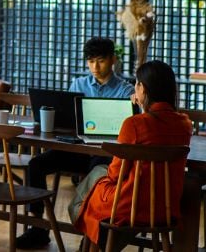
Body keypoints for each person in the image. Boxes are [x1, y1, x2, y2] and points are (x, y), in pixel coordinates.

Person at [16, 36, 135, 248]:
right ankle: (38, 227)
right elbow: (68, 120)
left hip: (105, 154)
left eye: (100, 61)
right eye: (90, 61)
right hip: (76, 150)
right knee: (36, 164)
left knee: (96, 172)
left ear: (113, 59)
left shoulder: (126, 91)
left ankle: (90, 235)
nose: (95, 67)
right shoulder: (78, 84)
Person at [68, 60, 192, 251]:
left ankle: (96, 241)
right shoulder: (185, 124)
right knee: (96, 176)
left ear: (142, 88)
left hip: (131, 206)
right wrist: (145, 107)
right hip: (165, 207)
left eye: (137, 84)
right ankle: (101, 242)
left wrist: (142, 111)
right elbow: (157, 130)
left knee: (93, 184)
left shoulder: (134, 124)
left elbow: (115, 174)